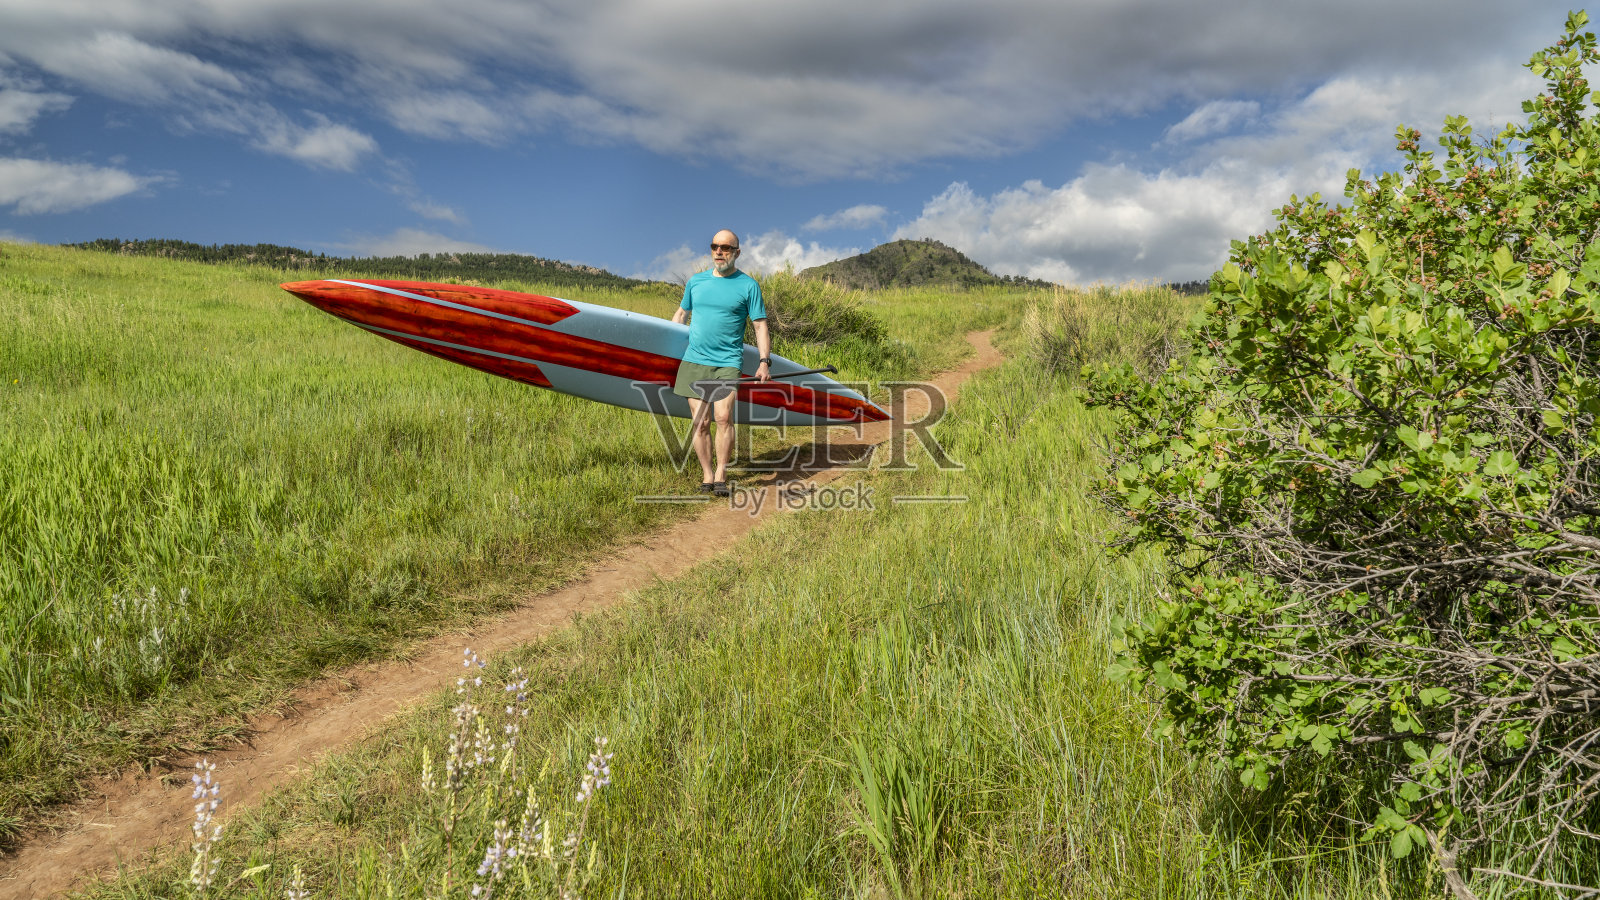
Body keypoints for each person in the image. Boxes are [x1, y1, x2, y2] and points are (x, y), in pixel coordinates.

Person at [670, 229, 771, 496]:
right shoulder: (696, 282)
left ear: (737, 253)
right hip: (694, 360)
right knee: (700, 422)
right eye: (715, 246)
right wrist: (666, 350)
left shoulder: (748, 286)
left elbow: (760, 325)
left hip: (727, 361)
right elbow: (681, 315)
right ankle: (707, 475)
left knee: (723, 417)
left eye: (726, 248)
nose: (719, 251)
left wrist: (764, 362)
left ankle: (721, 475)